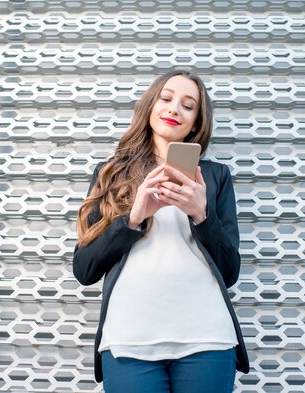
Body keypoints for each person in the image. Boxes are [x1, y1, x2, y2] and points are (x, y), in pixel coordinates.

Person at [73, 70, 249, 393]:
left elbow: (230, 270)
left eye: (187, 105)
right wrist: (133, 218)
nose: (174, 109)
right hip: (129, 337)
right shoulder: (110, 174)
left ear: (196, 122)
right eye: (166, 99)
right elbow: (84, 268)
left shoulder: (215, 177)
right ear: (151, 105)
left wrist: (201, 214)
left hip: (206, 336)